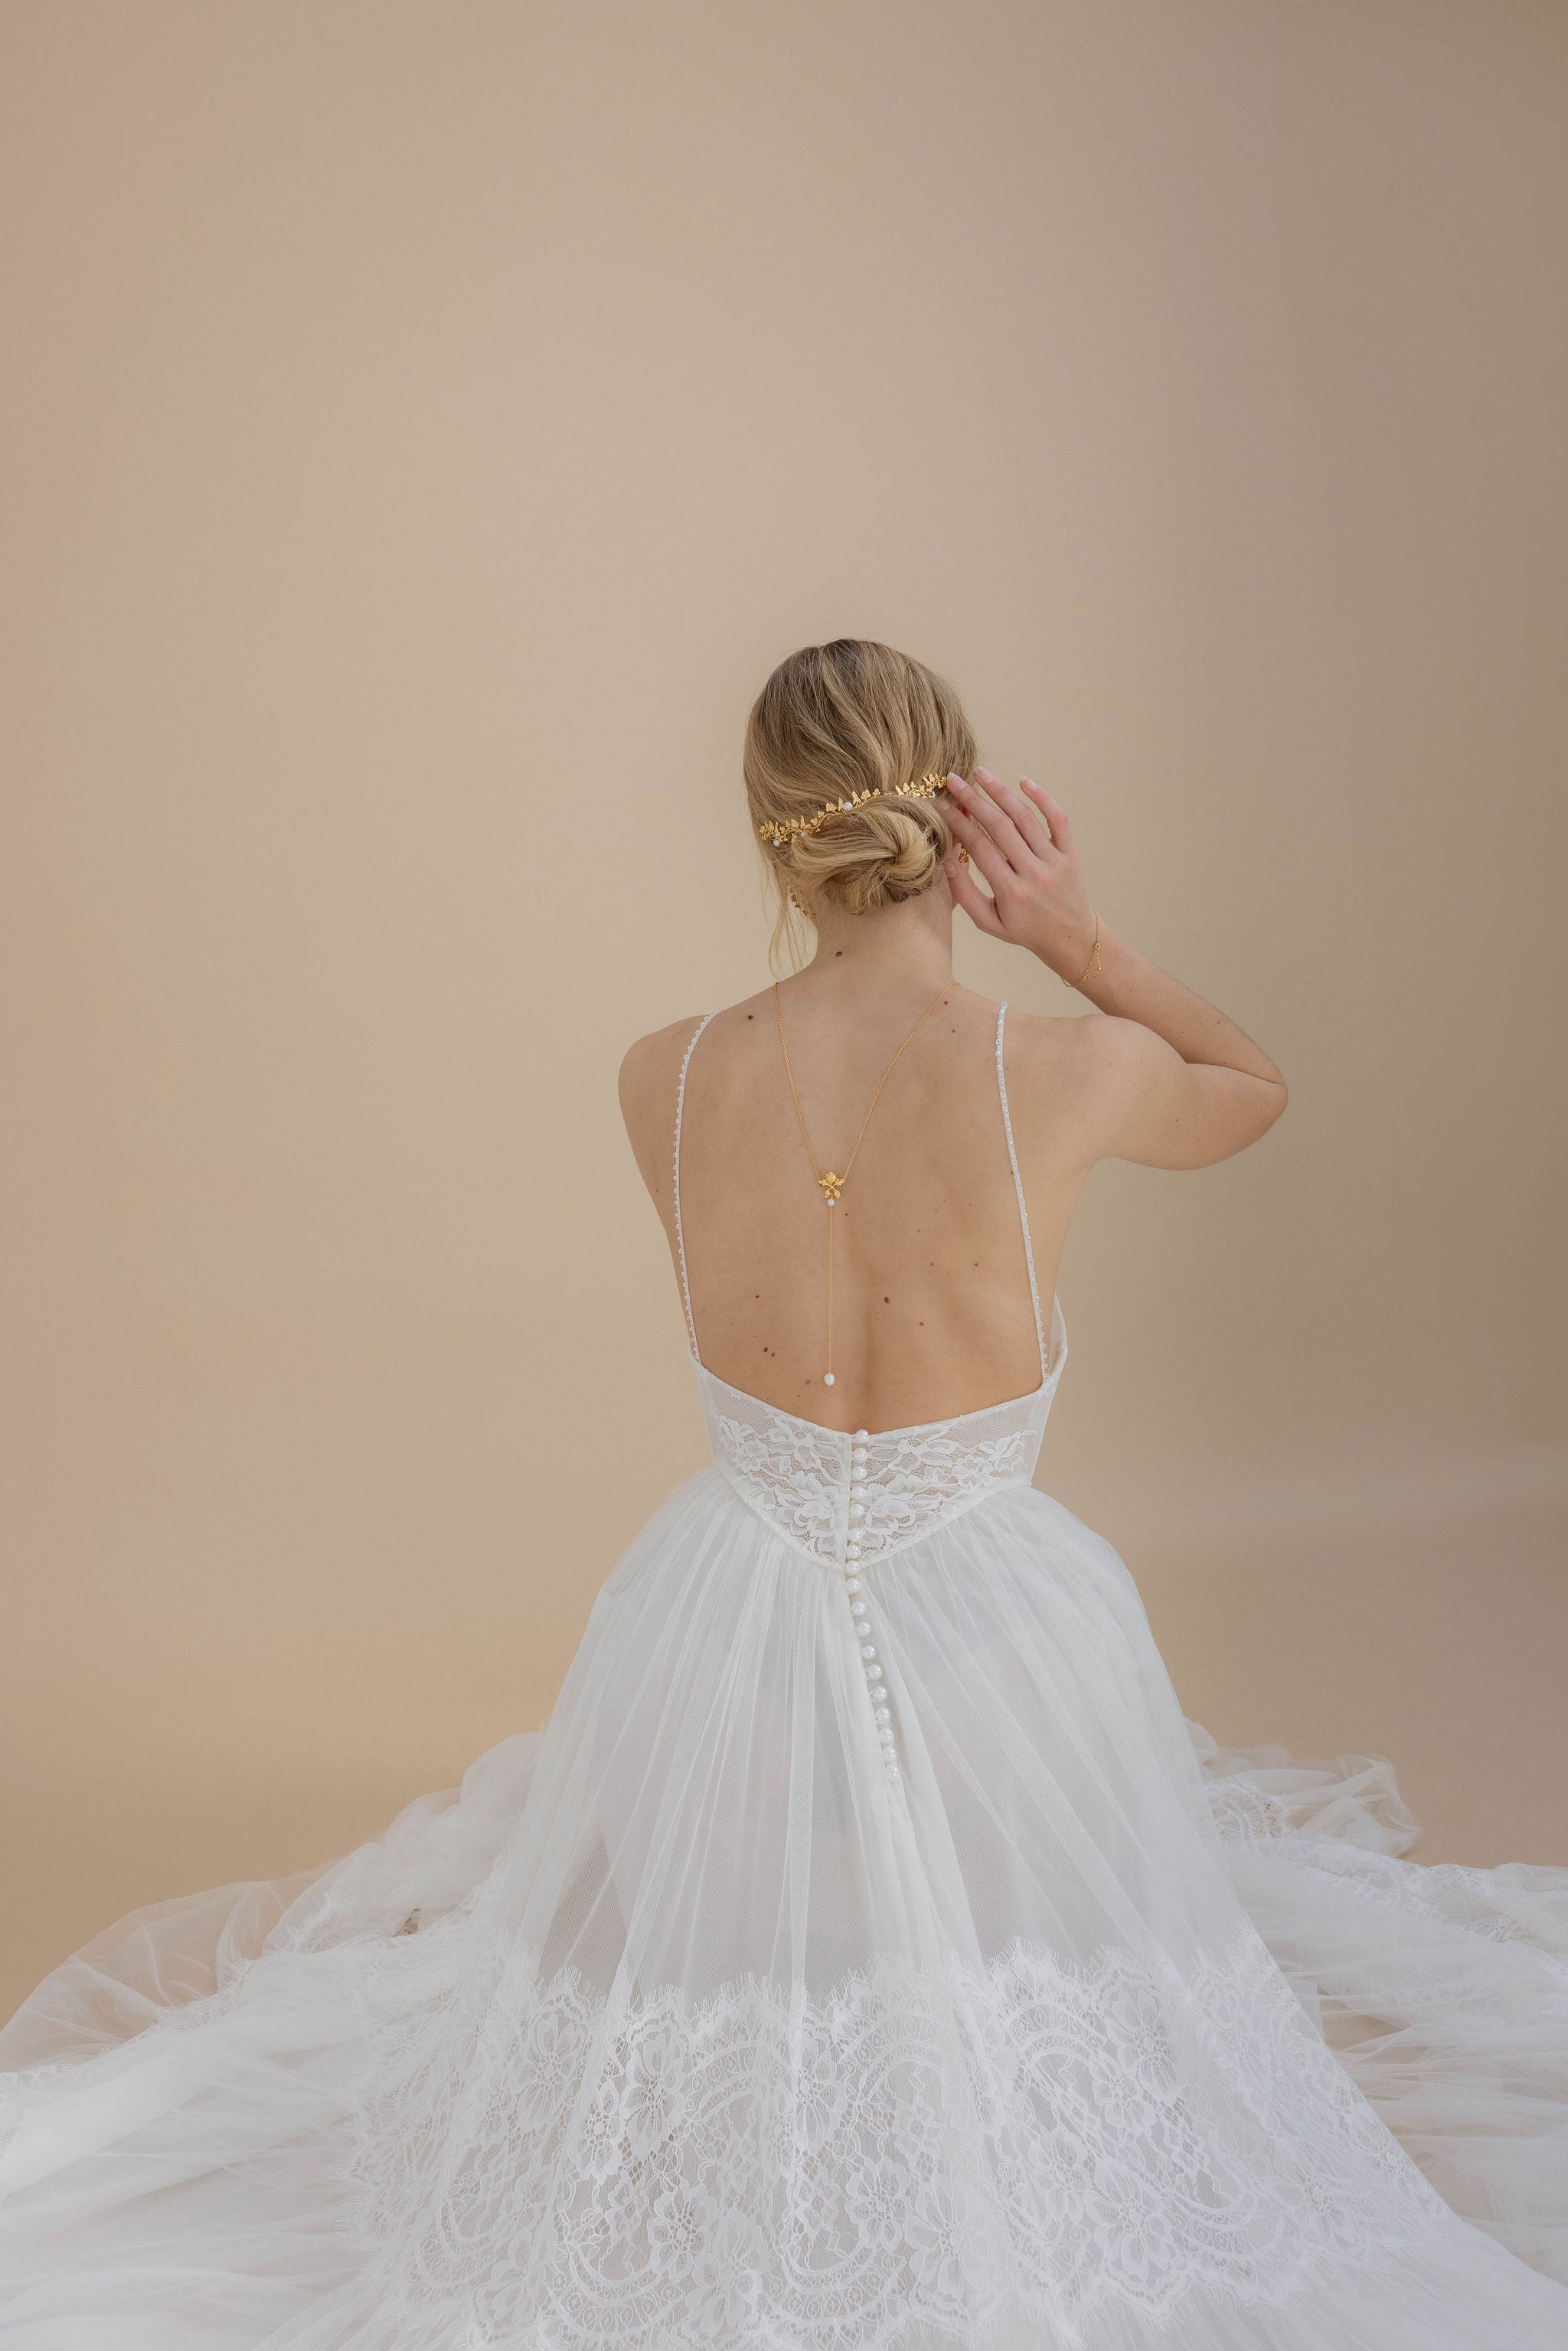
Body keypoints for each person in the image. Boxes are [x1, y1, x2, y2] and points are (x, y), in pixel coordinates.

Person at [1, 638, 1563, 2348]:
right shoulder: (1064, 1063)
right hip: (994, 1636)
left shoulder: (661, 1076)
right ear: (965, 817)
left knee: (737, 1987)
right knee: (1027, 2005)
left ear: (771, 834)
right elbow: (1252, 1091)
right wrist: (1077, 939)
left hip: (718, 1632)